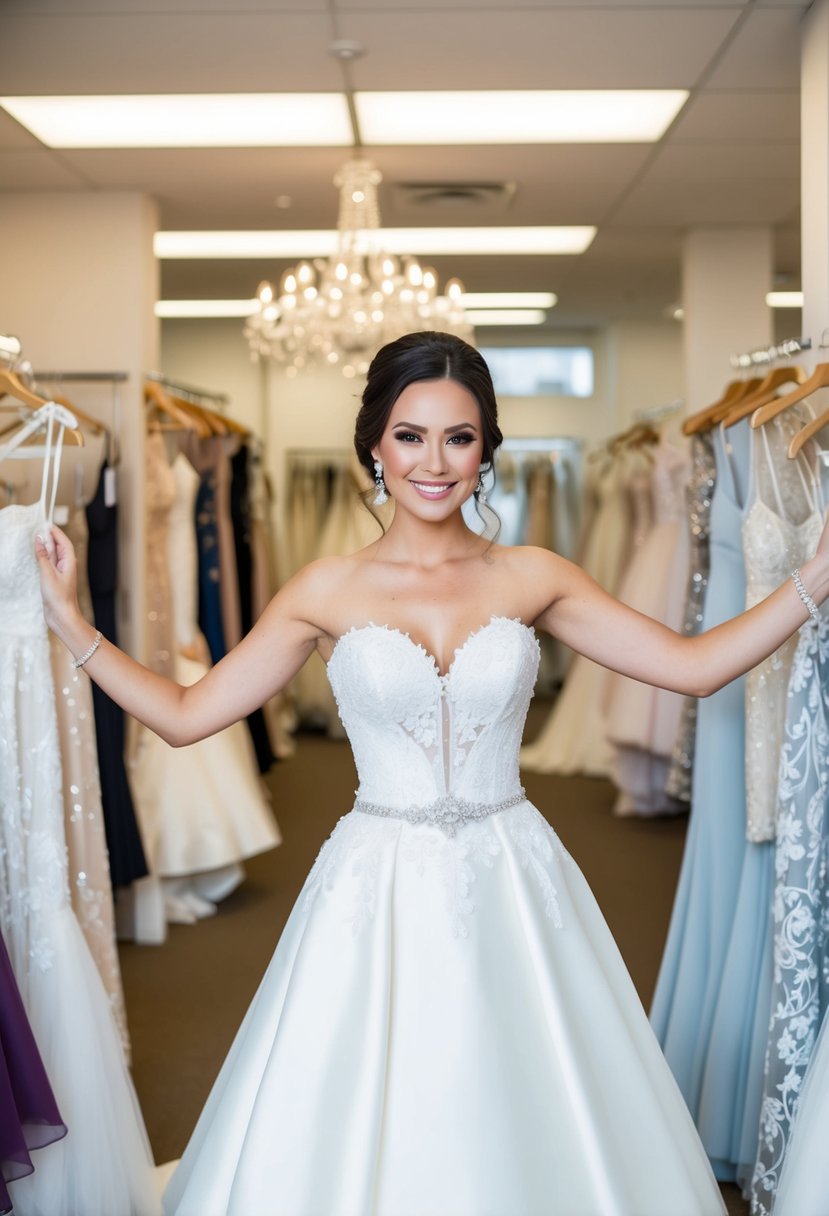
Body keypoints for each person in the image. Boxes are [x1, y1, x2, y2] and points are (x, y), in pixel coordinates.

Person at [36, 331, 829, 1216]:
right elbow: (186, 718)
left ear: (486, 447)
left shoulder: (533, 575)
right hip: (375, 879)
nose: (434, 461)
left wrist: (816, 575)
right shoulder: (325, 589)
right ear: (374, 444)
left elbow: (690, 667)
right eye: (410, 435)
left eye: (458, 436)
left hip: (513, 872)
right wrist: (74, 627)